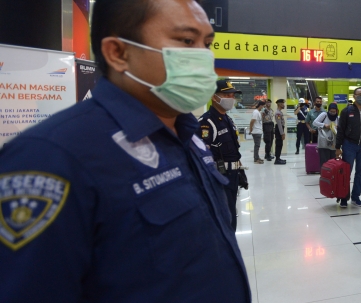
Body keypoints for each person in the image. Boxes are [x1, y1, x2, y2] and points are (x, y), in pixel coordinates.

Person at [0, 1, 251, 302]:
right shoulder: (51, 158)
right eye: (187, 41)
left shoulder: (187, 132)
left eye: (207, 43)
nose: (204, 56)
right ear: (118, 53)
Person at [199, 80, 244, 229]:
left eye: (232, 95)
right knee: (225, 217)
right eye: (226, 94)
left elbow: (232, 149)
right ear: (214, 97)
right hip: (220, 176)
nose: (231, 98)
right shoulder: (207, 122)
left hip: (233, 174)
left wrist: (240, 169)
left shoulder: (227, 119)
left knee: (231, 212)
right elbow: (202, 155)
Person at [335, 87, 361, 208]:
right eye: (359, 94)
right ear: (354, 96)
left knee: (360, 172)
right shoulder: (346, 111)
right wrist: (338, 147)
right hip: (349, 145)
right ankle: (344, 197)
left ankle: (355, 197)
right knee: (346, 172)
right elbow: (341, 130)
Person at [313, 103, 339, 168]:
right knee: (324, 161)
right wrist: (324, 125)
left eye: (334, 111)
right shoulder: (324, 115)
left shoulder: (338, 118)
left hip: (333, 143)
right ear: (328, 110)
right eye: (331, 111)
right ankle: (324, 176)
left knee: (333, 161)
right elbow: (315, 123)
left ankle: (331, 176)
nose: (332, 113)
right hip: (323, 142)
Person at [274, 99, 287, 165]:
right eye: (282, 104)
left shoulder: (280, 112)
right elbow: (279, 124)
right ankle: (277, 159)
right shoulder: (278, 113)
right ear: (280, 104)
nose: (283, 105)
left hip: (280, 129)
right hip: (279, 129)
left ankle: (278, 158)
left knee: (280, 144)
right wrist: (282, 133)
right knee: (278, 144)